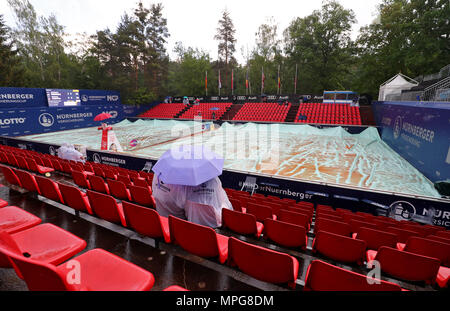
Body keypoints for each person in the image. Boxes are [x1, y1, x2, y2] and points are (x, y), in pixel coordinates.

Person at [151, 175, 232, 228]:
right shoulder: (214, 180)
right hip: (182, 226)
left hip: (164, 221)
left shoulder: (157, 175)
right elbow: (224, 206)